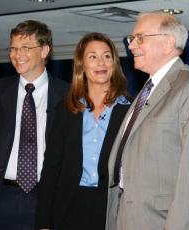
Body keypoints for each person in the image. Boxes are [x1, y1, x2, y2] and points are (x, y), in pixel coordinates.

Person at [106, 12, 189, 230]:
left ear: (168, 42)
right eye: (131, 39)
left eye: (140, 38)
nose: (131, 46)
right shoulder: (147, 90)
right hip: (126, 217)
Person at [0, 20, 69, 230]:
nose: (17, 54)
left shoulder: (68, 95)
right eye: (13, 48)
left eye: (26, 48)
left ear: (45, 50)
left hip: (44, 203)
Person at [35, 32, 131, 230]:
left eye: (107, 56)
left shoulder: (131, 110)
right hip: (69, 207)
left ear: (114, 63)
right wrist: (44, 222)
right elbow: (52, 168)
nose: (101, 63)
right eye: (92, 57)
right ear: (82, 66)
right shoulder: (66, 110)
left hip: (114, 209)